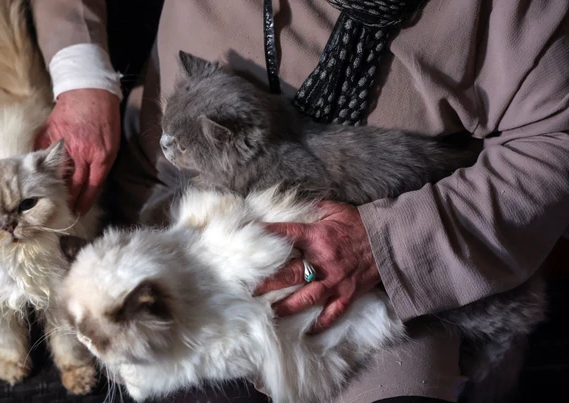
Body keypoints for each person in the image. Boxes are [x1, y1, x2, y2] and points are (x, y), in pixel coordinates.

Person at [30, 1, 569, 402]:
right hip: (163, 208)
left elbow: (555, 142)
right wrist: (81, 78)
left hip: (388, 280)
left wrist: (385, 247)